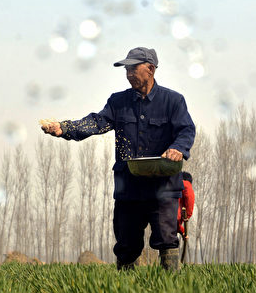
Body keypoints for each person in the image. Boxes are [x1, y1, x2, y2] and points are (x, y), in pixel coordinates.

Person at [40, 47, 196, 271]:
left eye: (134, 68)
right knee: (126, 243)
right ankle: (124, 283)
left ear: (150, 69)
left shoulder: (173, 101)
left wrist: (177, 148)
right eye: (127, 69)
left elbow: (186, 131)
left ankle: (170, 284)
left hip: (163, 186)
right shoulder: (118, 102)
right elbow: (96, 122)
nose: (129, 73)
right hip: (129, 188)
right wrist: (64, 128)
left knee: (166, 238)